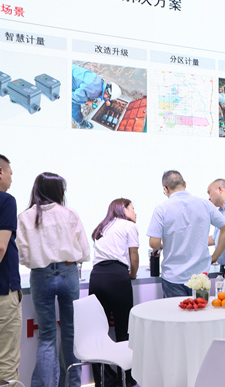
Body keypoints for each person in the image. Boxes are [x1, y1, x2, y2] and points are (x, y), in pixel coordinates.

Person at [16, 172, 90, 387]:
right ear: (58, 191)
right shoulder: (69, 214)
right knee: (70, 332)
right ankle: (73, 384)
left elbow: (23, 255)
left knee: (47, 336)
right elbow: (85, 251)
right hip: (68, 272)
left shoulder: (25, 217)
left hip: (41, 275)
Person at [147, 170, 225, 298]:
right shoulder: (205, 204)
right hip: (200, 276)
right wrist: (215, 256)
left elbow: (154, 243)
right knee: (200, 310)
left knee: (175, 311)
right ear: (185, 184)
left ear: (166, 189)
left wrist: (164, 243)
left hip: (173, 277)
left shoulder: (161, 209)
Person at [89, 198, 139, 387]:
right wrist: (132, 275)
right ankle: (126, 379)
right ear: (123, 209)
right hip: (117, 277)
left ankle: (104, 380)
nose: (135, 212)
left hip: (97, 277)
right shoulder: (129, 226)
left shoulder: (102, 227)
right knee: (123, 330)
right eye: (133, 208)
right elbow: (134, 257)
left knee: (98, 332)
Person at [0, 155, 21, 383]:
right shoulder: (5, 201)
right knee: (6, 364)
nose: (11, 179)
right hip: (3, 293)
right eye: (10, 174)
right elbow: (1, 246)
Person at [71, 64, 121, 129]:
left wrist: (106, 100)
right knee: (74, 106)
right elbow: (73, 98)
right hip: (66, 79)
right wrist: (86, 102)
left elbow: (103, 92)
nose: (107, 99)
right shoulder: (93, 91)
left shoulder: (99, 81)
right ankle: (81, 122)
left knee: (85, 95)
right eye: (108, 98)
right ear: (107, 94)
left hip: (73, 71)